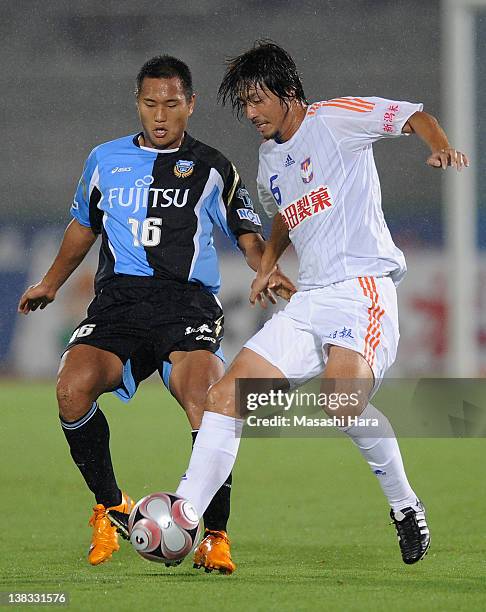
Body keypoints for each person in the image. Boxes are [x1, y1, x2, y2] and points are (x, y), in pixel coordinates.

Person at [169, 41, 470, 565]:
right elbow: (288, 212)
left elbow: (413, 115)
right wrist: (267, 266)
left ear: (288, 92)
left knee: (341, 403)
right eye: (244, 103)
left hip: (362, 289)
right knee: (225, 399)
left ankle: (404, 504)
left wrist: (439, 145)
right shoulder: (268, 160)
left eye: (258, 99)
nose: (251, 113)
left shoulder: (336, 119)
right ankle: (182, 520)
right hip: (311, 299)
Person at [17, 54, 295, 574]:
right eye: (150, 104)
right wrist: (51, 283)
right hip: (118, 301)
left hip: (184, 301)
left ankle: (215, 535)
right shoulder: (104, 159)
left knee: (209, 401)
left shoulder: (213, 167)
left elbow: (247, 234)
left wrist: (266, 267)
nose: (160, 115)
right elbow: (83, 226)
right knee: (70, 388)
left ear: (190, 104)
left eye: (171, 104)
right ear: (138, 105)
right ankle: (111, 507)